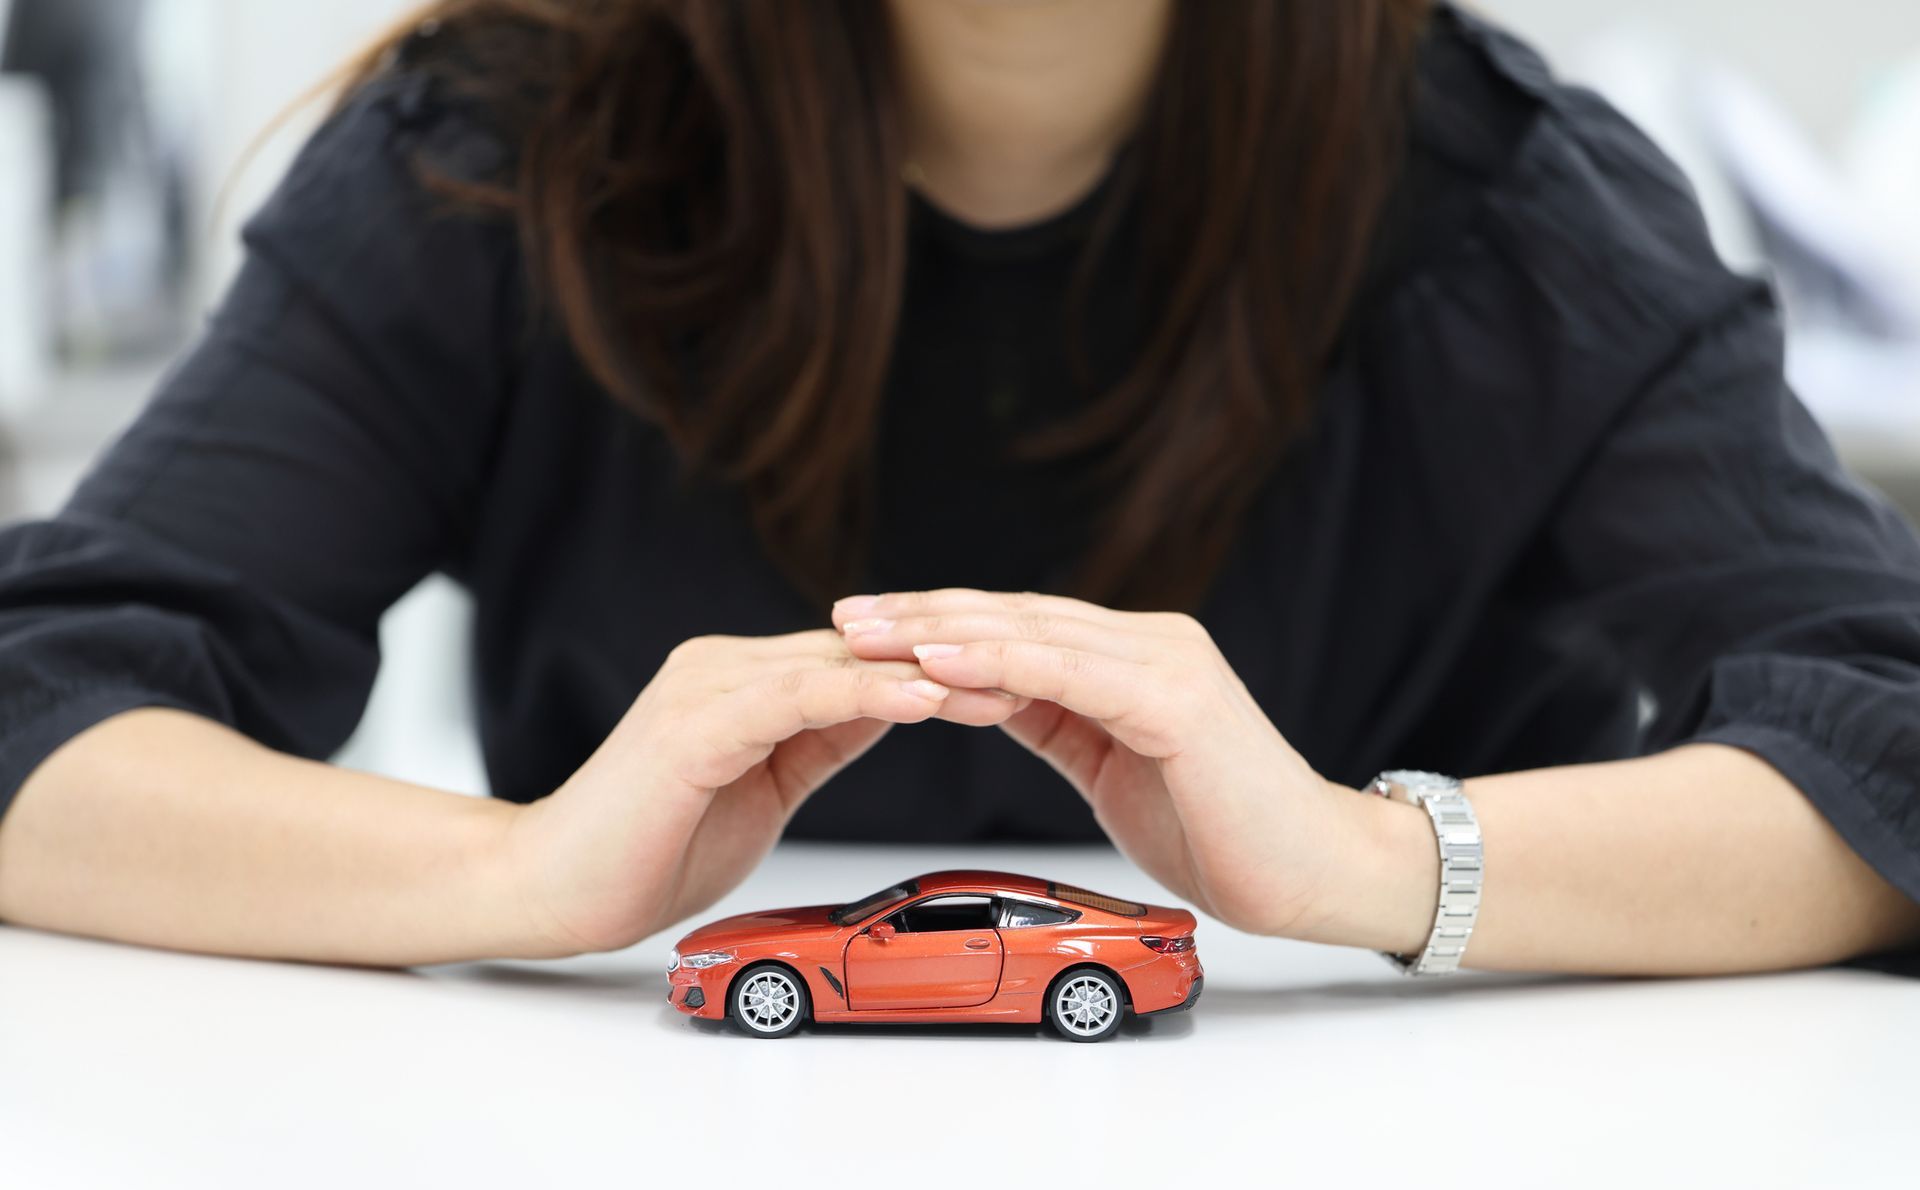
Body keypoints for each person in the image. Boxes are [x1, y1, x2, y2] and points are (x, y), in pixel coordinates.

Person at [2, 0, 1917, 977]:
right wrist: (511, 875)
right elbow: (43, 698)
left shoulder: (1512, 202)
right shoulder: (505, 148)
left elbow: (1887, 732)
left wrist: (1364, 860)